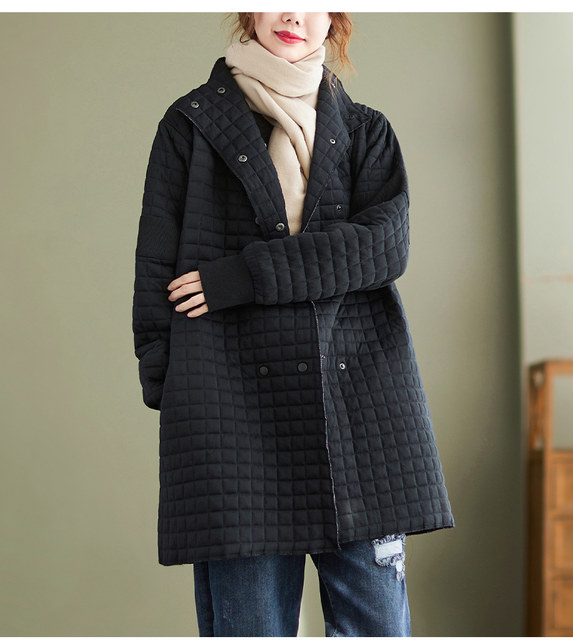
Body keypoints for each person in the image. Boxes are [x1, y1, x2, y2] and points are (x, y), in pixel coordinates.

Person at [132, 12, 454, 637]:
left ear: (334, 16)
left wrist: (244, 276)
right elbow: (156, 267)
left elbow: (384, 248)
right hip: (232, 412)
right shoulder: (189, 125)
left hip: (358, 402)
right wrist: (170, 386)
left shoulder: (364, 131)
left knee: (377, 627)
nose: (292, 15)